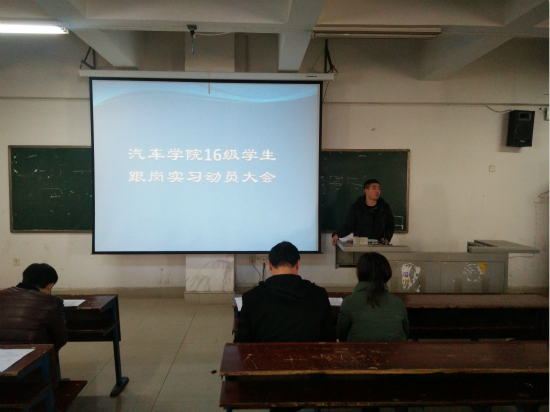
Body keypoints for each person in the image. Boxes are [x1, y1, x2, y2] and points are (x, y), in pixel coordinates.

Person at [234, 241, 335, 343]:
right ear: (297, 264)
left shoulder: (251, 298)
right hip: (309, 353)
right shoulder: (319, 295)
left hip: (266, 354)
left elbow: (241, 343)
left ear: (270, 265)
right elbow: (330, 338)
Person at [337, 252, 409, 342]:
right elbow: (406, 333)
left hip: (359, 350)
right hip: (394, 350)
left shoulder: (349, 302)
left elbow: (341, 335)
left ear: (360, 272)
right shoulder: (398, 302)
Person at [0, 263, 68, 352]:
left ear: (24, 279)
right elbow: (60, 338)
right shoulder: (52, 301)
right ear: (50, 285)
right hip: (32, 354)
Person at [331, 179, 394, 246]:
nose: (377, 191)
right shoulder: (356, 207)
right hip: (360, 245)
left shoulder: (384, 207)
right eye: (374, 188)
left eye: (379, 189)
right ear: (366, 191)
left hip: (379, 245)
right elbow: (348, 226)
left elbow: (390, 225)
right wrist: (337, 235)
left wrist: (386, 238)